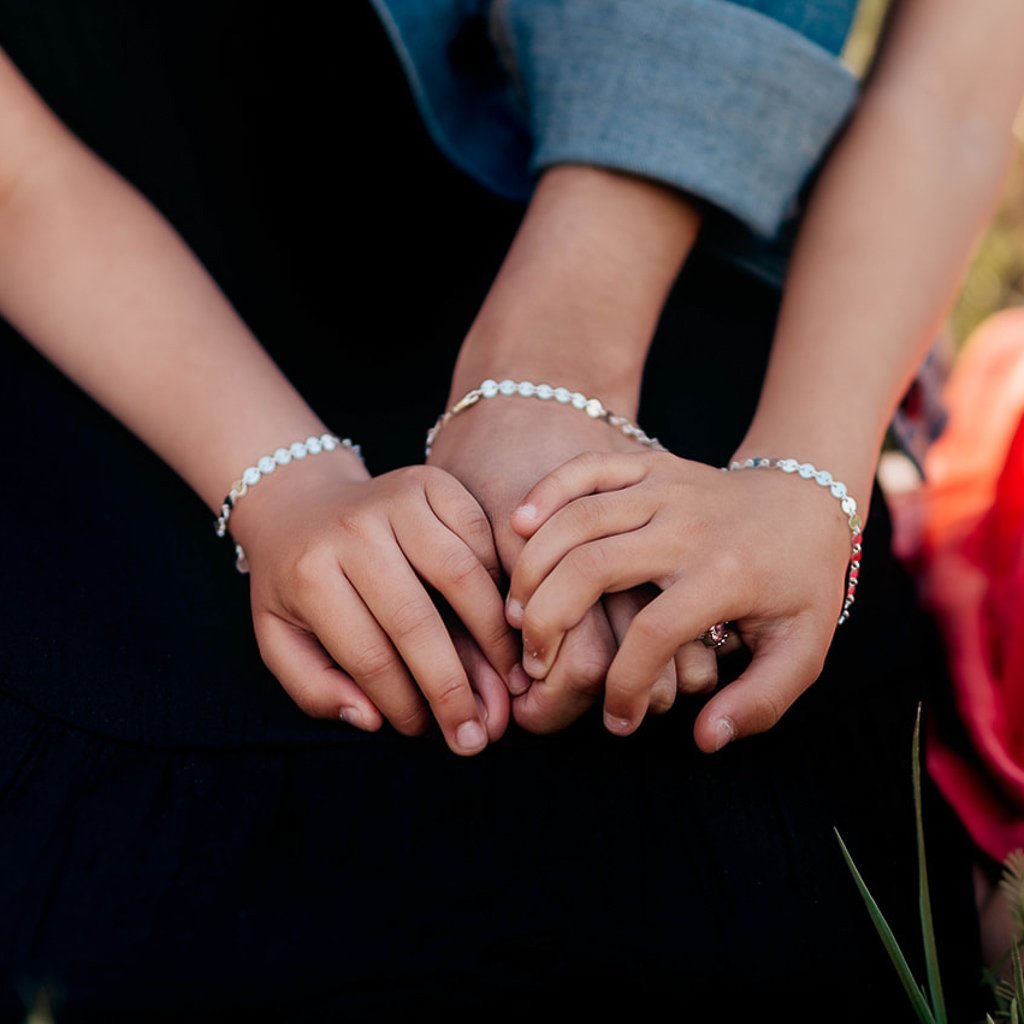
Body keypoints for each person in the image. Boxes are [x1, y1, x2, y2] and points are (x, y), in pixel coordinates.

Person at [0, 1, 1011, 1020]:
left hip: (706, 250)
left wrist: (803, 475)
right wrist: (280, 479)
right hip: (135, 304)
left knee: (739, 894)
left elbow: (954, 90)